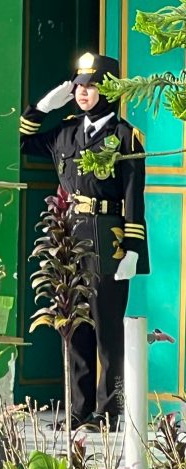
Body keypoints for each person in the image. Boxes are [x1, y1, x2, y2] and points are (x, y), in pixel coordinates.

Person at [20, 52, 149, 430]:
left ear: (108, 90)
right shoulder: (67, 132)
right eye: (79, 86)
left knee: (107, 327)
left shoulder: (125, 136)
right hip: (69, 239)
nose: (82, 93)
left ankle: (108, 413)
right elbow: (25, 141)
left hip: (108, 239)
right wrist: (43, 107)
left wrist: (134, 249)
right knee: (74, 326)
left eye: (91, 86)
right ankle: (78, 411)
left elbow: (133, 196)